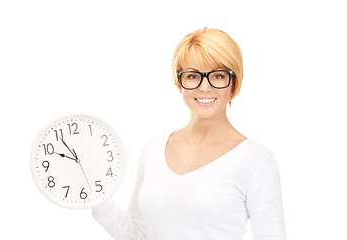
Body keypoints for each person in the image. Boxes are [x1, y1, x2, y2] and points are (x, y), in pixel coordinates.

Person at [92, 27, 287, 240]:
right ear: (179, 82)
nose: (204, 87)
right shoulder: (153, 149)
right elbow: (138, 235)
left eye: (218, 75)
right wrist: (97, 199)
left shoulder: (257, 160)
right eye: (193, 76)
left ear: (233, 83)